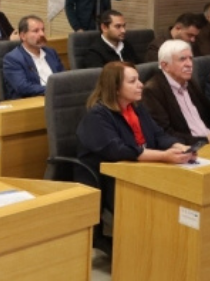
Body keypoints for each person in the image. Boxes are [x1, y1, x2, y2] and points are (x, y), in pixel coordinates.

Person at [77, 62, 194, 211]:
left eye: (138, 79)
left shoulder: (136, 107)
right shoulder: (97, 116)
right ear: (115, 88)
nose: (141, 85)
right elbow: (119, 151)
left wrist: (179, 146)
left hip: (142, 170)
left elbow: (158, 134)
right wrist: (164, 156)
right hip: (112, 179)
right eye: (132, 81)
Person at [141, 41, 210, 145]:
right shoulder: (153, 90)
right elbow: (165, 133)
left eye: (190, 58)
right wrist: (204, 140)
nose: (189, 64)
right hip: (189, 146)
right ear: (165, 66)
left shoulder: (189, 82)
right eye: (182, 59)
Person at [1, 15, 65, 99]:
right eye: (36, 31)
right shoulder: (12, 59)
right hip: (31, 101)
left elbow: (63, 77)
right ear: (23, 36)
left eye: (43, 30)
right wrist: (53, 89)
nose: (42, 34)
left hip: (57, 98)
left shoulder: (51, 53)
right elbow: (23, 87)